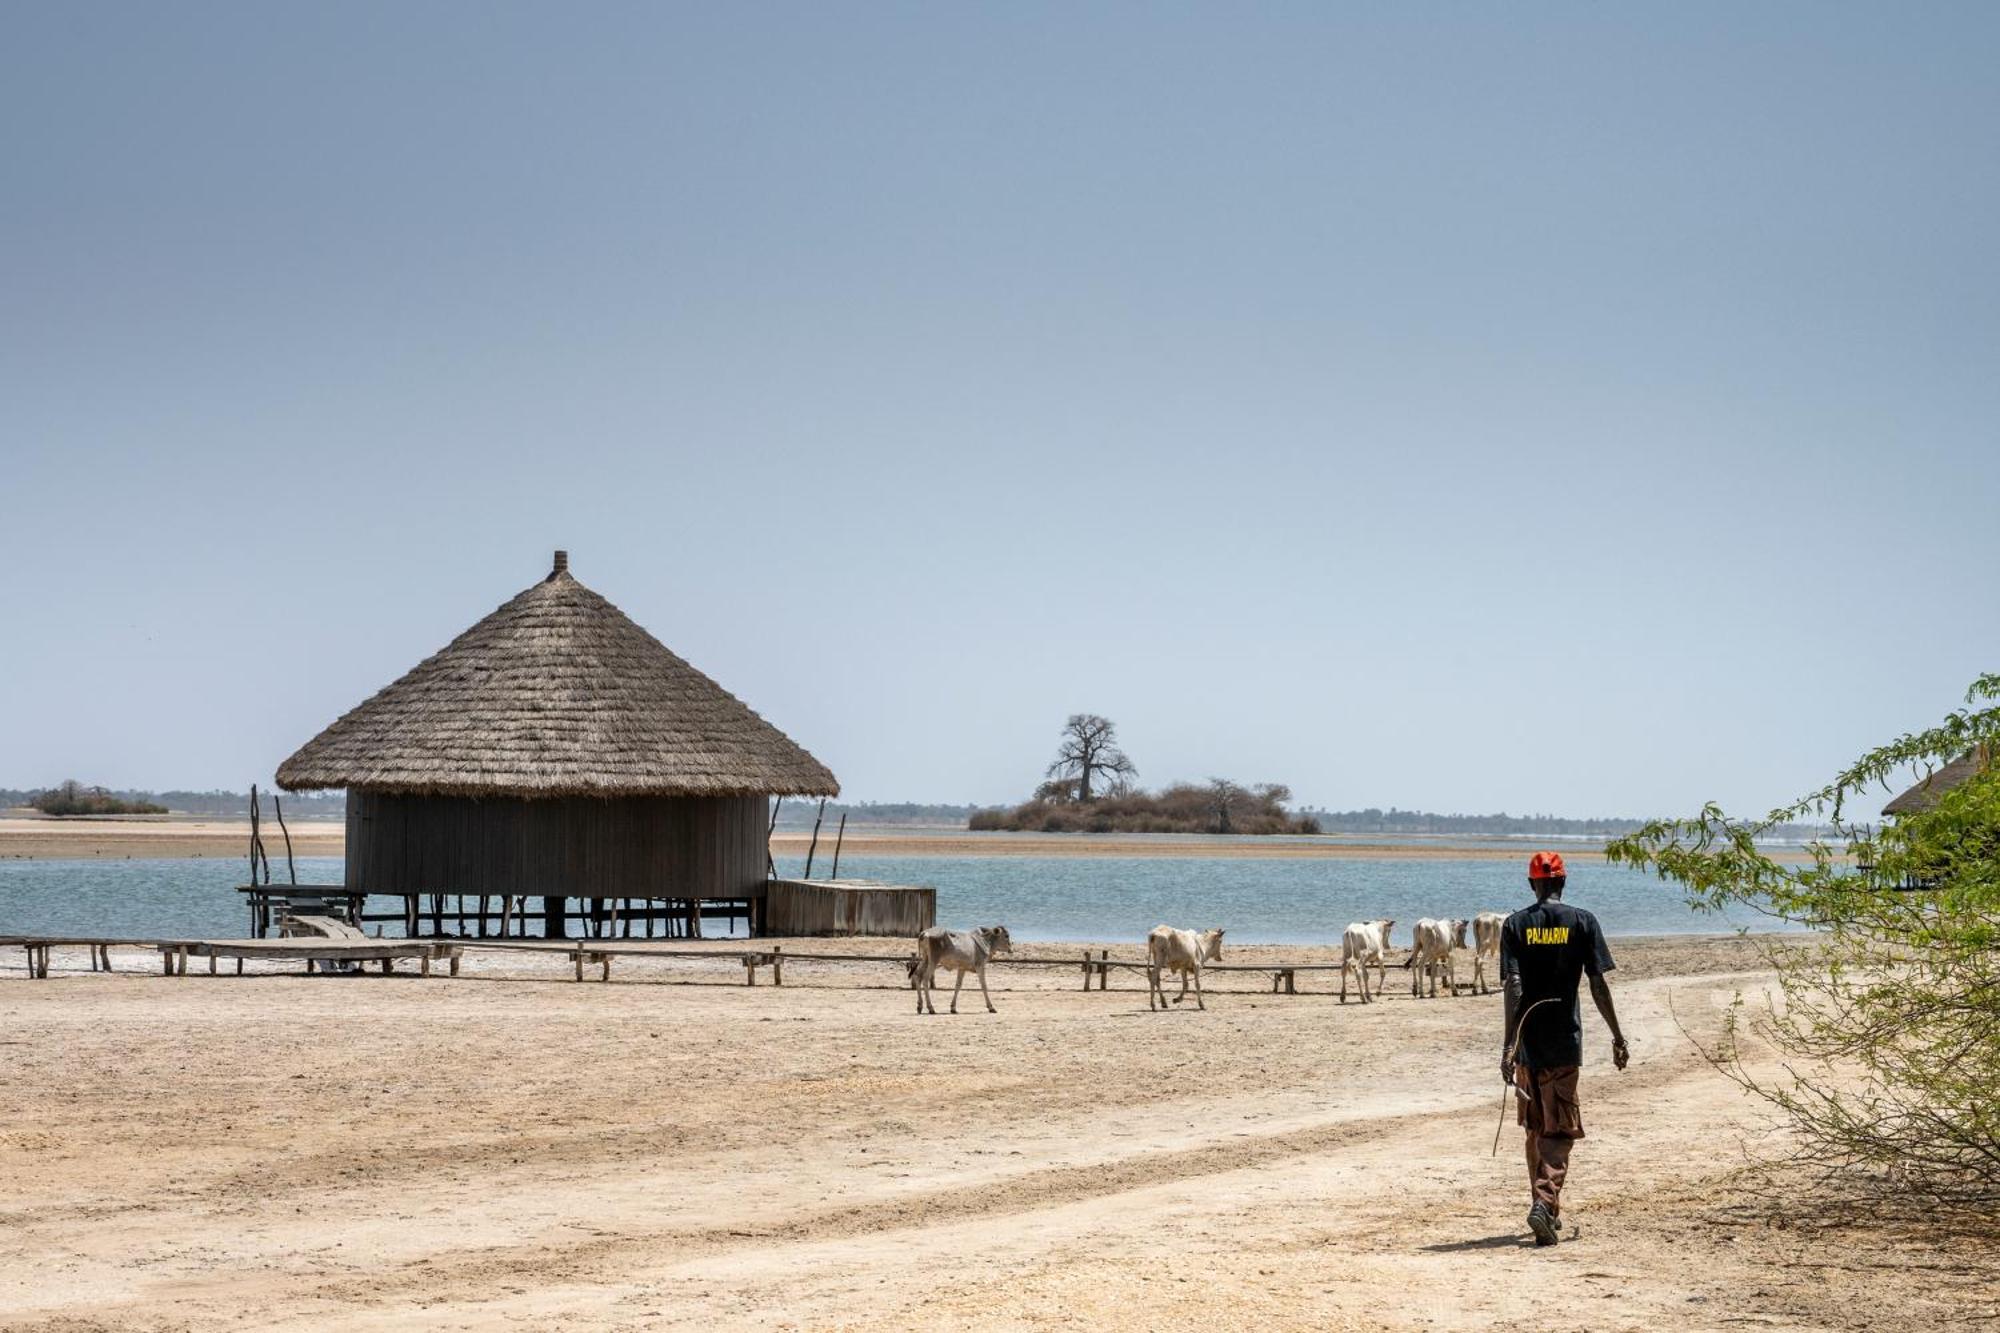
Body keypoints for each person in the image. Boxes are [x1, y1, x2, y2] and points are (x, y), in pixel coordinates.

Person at [1499, 850, 1628, 1247]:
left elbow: (1514, 988)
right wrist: (1617, 1035)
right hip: (1565, 1045)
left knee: (1535, 1129)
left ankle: (1544, 1208)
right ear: (1563, 882)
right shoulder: (1582, 921)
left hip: (1528, 1047)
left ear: (1532, 884)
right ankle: (1544, 1203)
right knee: (1559, 1132)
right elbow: (1597, 984)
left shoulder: (1515, 925)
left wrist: (1509, 1044)